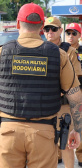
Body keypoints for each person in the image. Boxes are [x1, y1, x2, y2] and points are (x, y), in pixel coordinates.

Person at [0, 3, 82, 168]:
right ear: (41, 27)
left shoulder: (0, 53)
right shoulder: (59, 55)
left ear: (18, 24)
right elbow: (76, 97)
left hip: (8, 132)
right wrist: (77, 130)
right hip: (44, 133)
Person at [43, 17, 82, 168]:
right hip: (44, 103)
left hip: (63, 104)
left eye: (54, 29)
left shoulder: (70, 51)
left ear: (60, 31)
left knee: (65, 141)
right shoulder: (39, 49)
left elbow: (75, 79)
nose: (50, 32)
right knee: (46, 142)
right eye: (47, 29)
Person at [65, 23, 82, 167]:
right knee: (62, 124)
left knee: (79, 125)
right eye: (68, 33)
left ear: (79, 35)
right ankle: (59, 154)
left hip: (80, 91)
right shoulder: (62, 49)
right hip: (65, 95)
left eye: (74, 33)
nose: (71, 36)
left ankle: (81, 156)